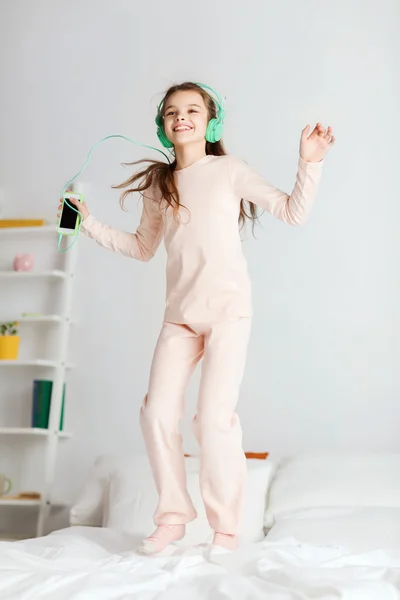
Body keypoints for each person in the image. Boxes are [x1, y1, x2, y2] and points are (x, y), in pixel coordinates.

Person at [58, 81, 335, 554]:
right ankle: (173, 515)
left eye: (191, 109)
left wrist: (310, 160)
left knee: (212, 420)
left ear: (212, 121)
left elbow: (293, 212)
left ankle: (226, 528)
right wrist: (87, 223)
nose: (181, 117)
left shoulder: (229, 170)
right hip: (179, 318)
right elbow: (142, 247)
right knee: (156, 413)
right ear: (163, 127)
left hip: (228, 313)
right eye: (171, 112)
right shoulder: (158, 184)